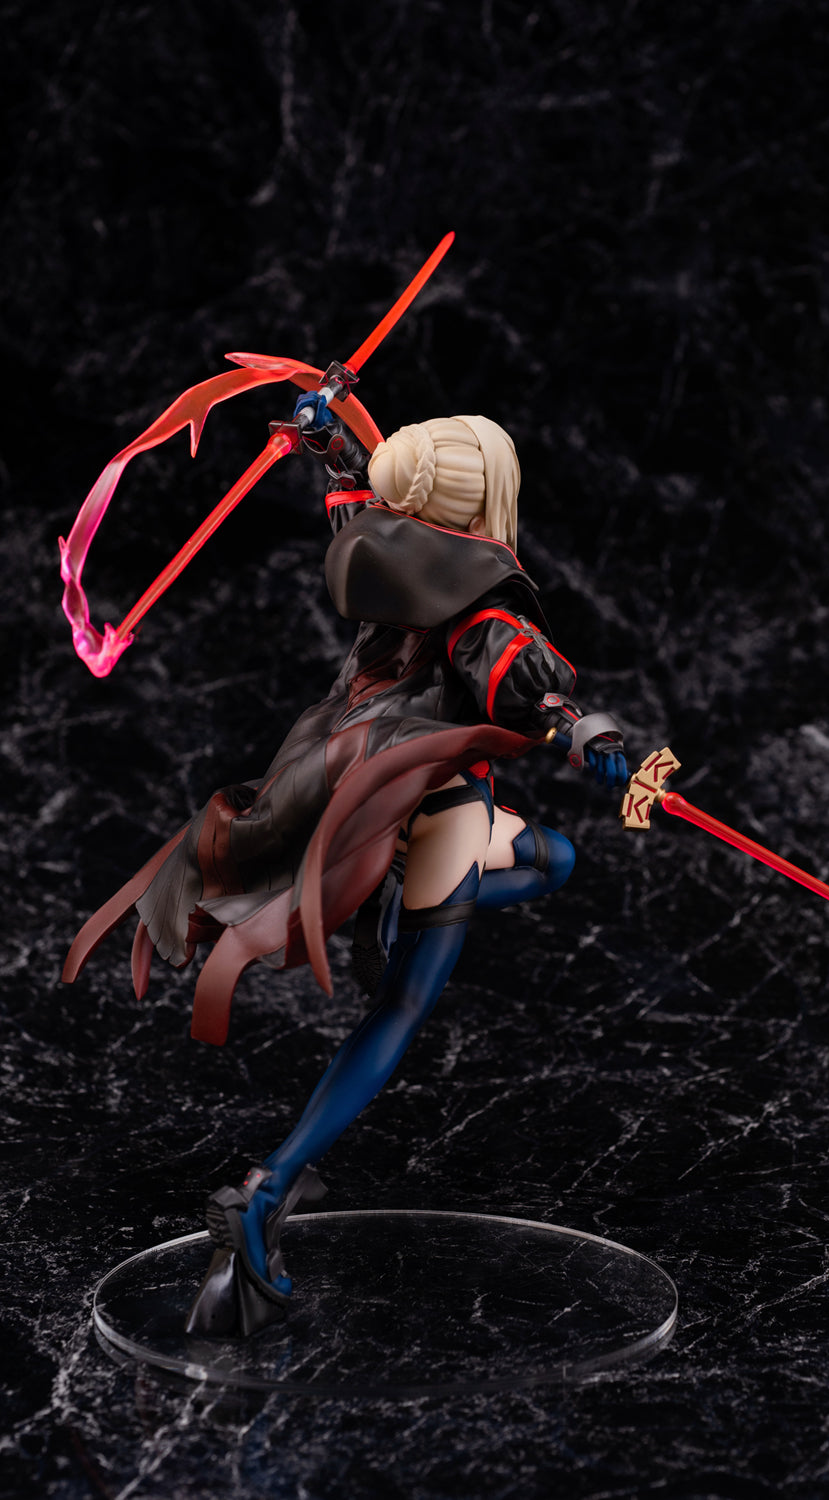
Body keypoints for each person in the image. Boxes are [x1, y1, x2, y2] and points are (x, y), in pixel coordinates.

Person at [64, 408, 628, 1337]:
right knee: (399, 1007)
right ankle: (268, 1186)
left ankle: (390, 909)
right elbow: (515, 674)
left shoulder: (380, 543)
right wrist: (587, 732)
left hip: (354, 783)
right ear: (482, 500)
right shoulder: (483, 598)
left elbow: (361, 491)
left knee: (553, 858)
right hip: (435, 808)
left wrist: (330, 440)